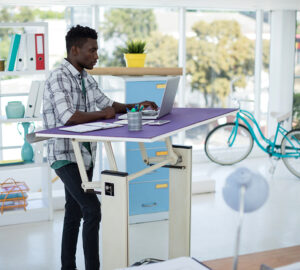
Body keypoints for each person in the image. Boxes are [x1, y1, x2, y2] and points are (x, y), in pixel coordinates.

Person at [43, 25, 157, 270]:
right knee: (91, 208)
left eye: (96, 50)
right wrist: (102, 115)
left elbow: (109, 105)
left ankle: (67, 267)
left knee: (74, 212)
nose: (96, 56)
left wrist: (138, 105)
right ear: (75, 50)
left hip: (84, 155)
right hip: (63, 154)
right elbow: (68, 117)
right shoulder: (58, 76)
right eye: (92, 50)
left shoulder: (85, 77)